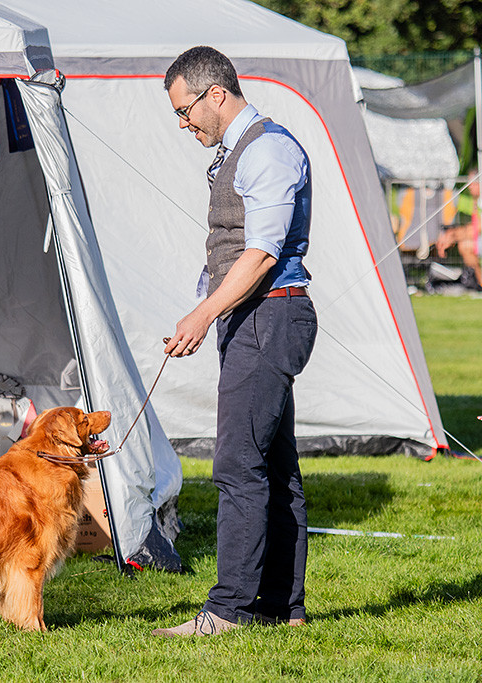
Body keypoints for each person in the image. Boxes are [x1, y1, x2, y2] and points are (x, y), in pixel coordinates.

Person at [153, 46, 318, 636]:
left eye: (184, 110)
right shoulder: (237, 151)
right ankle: (282, 606)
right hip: (254, 318)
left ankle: (229, 610)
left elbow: (262, 252)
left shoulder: (269, 149)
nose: (183, 123)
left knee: (238, 464)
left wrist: (201, 314)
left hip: (271, 317)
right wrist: (210, 309)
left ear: (215, 93)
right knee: (274, 464)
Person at [435, 177, 481, 291]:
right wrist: (451, 235)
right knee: (465, 245)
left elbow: (476, 229)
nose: (470, 186)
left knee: (465, 245)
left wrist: (453, 236)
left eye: (474, 183)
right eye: (469, 183)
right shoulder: (472, 201)